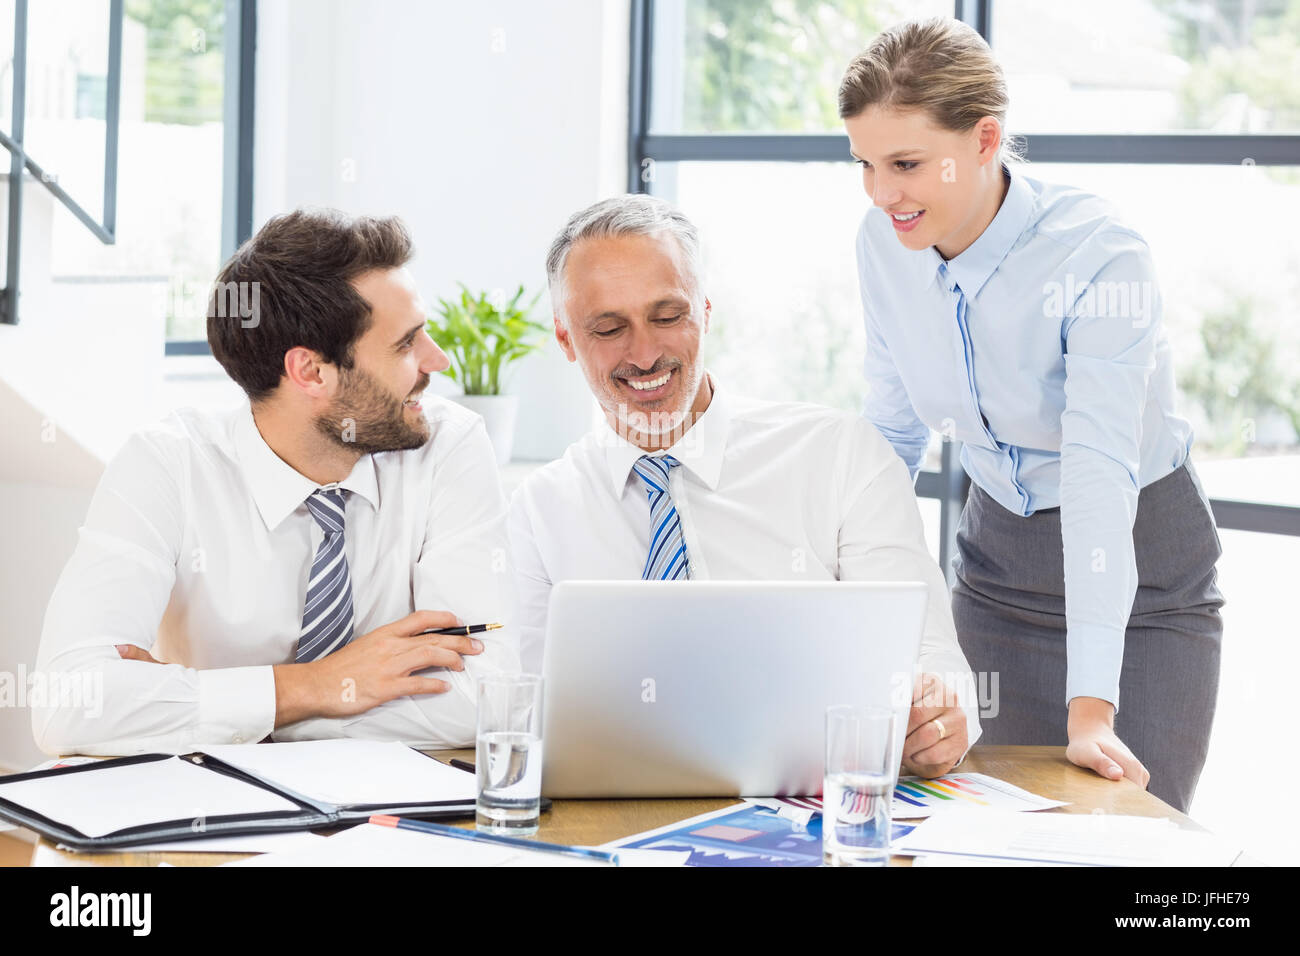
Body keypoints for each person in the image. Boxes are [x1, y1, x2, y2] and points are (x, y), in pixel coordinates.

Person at [840, 17, 1223, 811]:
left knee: (1123, 841)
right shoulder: (883, 244)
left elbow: (1096, 472)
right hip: (996, 574)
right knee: (982, 833)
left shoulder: (1100, 255)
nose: (882, 194)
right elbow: (891, 433)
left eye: (906, 164)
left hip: (1142, 576)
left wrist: (1092, 709)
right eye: (866, 166)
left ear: (984, 140)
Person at [509, 194, 981, 777]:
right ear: (565, 340)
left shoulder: (840, 454)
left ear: (705, 312)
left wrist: (940, 718)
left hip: (807, 811)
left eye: (667, 316)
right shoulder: (540, 509)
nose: (645, 352)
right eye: (608, 328)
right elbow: (526, 710)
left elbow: (934, 659)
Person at [32, 209, 518, 756]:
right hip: (208, 816)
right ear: (311, 372)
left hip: (397, 815)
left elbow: (487, 698)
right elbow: (68, 704)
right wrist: (319, 684)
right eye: (406, 344)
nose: (440, 360)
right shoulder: (168, 465)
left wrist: (215, 709)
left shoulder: (448, 447)